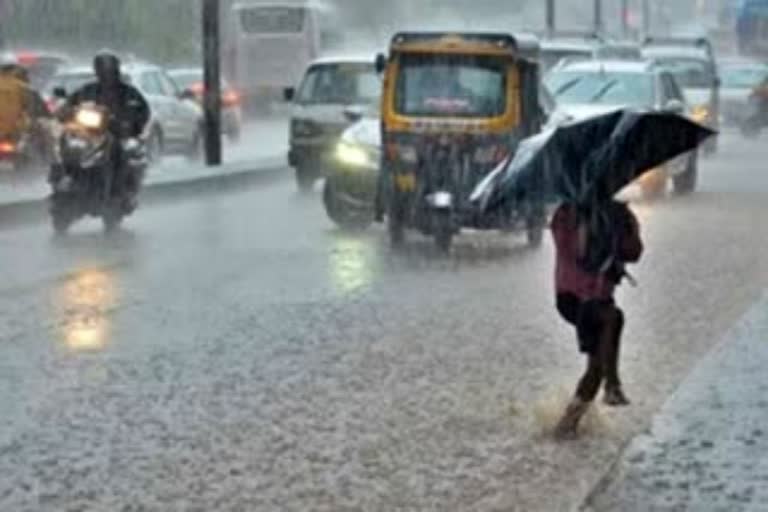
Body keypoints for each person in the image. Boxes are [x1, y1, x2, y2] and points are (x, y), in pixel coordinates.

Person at [551, 199, 643, 439]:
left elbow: (634, 252)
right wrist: (592, 225)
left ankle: (569, 423)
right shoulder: (567, 215)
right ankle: (612, 383)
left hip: (601, 296)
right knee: (612, 319)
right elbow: (573, 252)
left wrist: (626, 224)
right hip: (574, 297)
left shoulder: (618, 213)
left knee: (597, 363)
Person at [62, 51, 150, 201]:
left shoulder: (128, 92)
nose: (106, 74)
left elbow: (142, 111)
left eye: (108, 70)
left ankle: (120, 189)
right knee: (68, 143)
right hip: (90, 134)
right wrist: (65, 111)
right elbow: (70, 105)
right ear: (97, 71)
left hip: (117, 133)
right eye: (102, 70)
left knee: (122, 150)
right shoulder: (87, 90)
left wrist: (131, 123)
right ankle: (67, 178)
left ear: (116, 70)